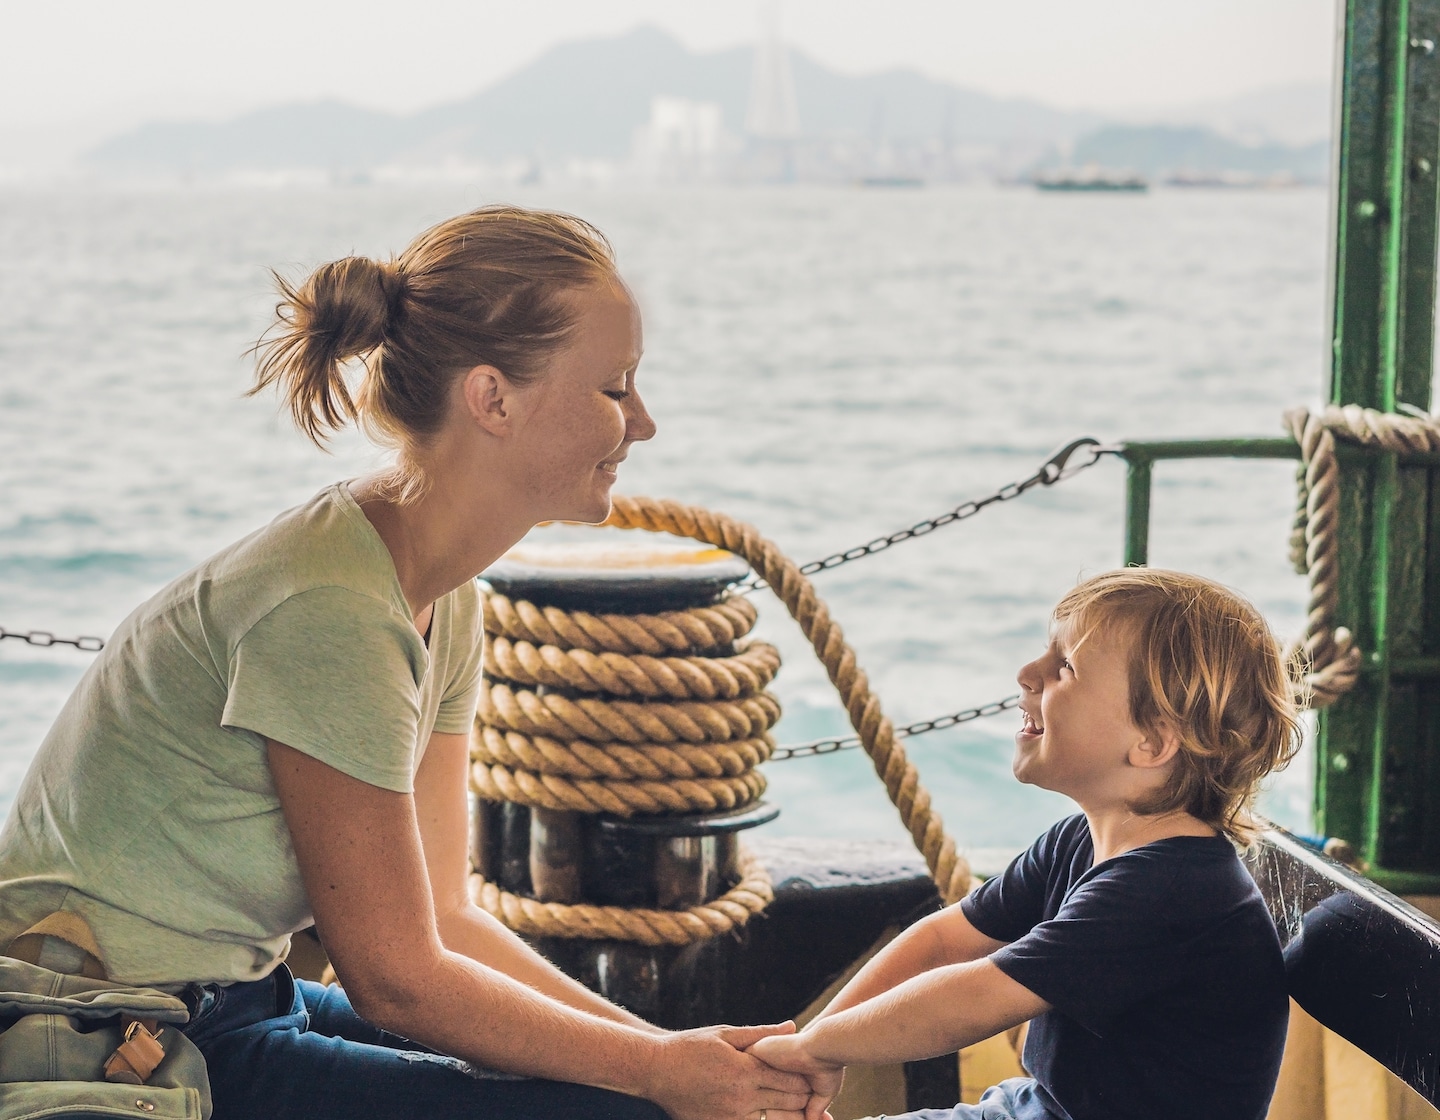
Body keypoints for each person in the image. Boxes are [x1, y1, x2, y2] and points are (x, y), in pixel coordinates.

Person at [0, 205, 818, 1120]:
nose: (645, 423)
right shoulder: (330, 607)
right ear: (492, 399)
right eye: (615, 388)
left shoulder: (440, 591)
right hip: (117, 1031)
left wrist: (667, 1056)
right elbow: (397, 983)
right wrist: (659, 1076)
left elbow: (448, 920)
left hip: (231, 1003)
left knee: (637, 1091)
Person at [750, 567, 1301, 1120]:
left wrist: (814, 1049)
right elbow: (945, 941)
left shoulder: (1173, 892)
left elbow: (975, 999)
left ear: (1152, 741)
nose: (1027, 674)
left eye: (1065, 668)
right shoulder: (1079, 842)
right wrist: (817, 1050)